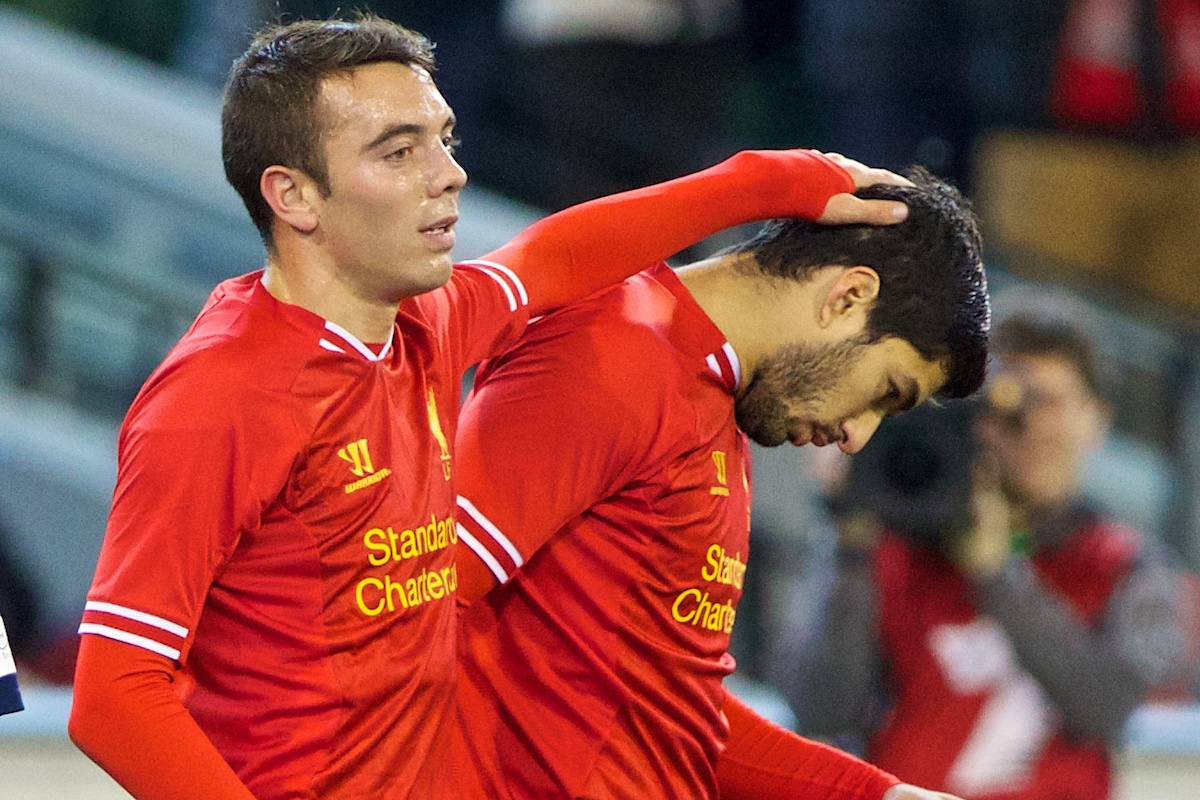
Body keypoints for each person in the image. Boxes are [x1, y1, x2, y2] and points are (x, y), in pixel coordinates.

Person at [65, 12, 915, 800]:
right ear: (293, 197)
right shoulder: (223, 393)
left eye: (444, 138)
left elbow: (553, 255)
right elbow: (114, 696)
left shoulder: (425, 323)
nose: (450, 174)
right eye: (399, 153)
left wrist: (766, 181)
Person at [450, 168, 988, 800]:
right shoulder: (613, 360)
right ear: (847, 296)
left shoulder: (718, 404)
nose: (857, 436)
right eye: (885, 392)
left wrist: (879, 795)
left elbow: (670, 715)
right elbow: (403, 610)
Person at [776, 312, 1190, 800]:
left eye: (1049, 402)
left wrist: (997, 572)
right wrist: (847, 539)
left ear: (1097, 420)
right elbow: (820, 710)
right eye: (1003, 404)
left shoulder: (1126, 565)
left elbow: (1104, 707)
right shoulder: (894, 545)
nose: (1027, 426)